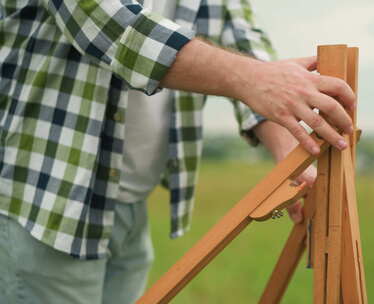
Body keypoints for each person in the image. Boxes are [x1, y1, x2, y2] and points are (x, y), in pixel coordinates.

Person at [0, 0, 355, 303]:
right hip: (44, 204)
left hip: (129, 206)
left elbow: (238, 33)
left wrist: (293, 152)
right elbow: (108, 24)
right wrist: (254, 79)